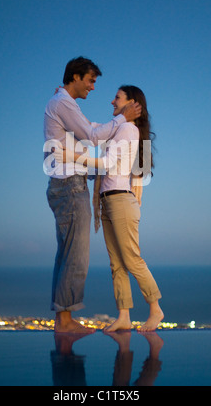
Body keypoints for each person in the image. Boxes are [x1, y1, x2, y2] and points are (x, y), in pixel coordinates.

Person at [43, 57, 142, 333]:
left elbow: (92, 134)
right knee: (76, 255)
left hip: (67, 184)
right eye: (90, 80)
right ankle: (65, 321)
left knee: (66, 253)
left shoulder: (64, 104)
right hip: (69, 186)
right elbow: (93, 135)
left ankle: (63, 319)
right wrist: (122, 117)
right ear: (75, 77)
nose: (94, 88)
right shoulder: (63, 103)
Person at [55, 85, 163, 332]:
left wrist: (72, 157)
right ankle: (124, 316)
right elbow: (93, 136)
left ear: (131, 103)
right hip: (108, 200)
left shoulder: (126, 128)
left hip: (120, 201)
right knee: (116, 263)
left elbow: (107, 163)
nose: (111, 101)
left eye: (117, 97)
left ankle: (156, 308)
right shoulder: (119, 129)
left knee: (132, 259)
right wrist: (64, 96)